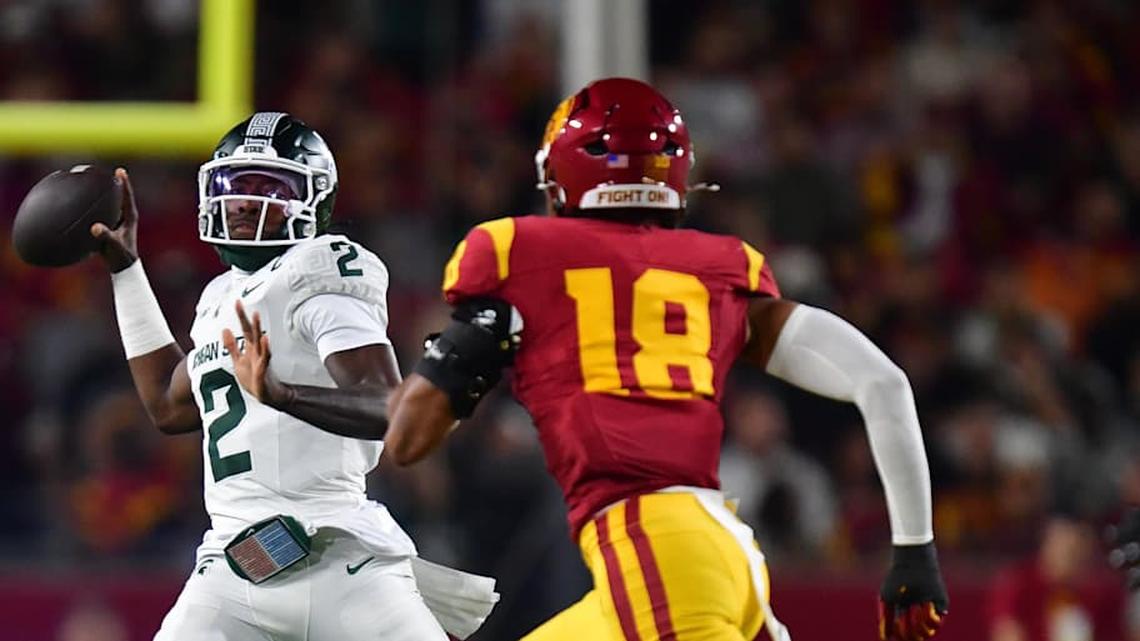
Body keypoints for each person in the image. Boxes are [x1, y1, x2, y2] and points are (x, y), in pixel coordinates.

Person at [381, 78, 949, 641]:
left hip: (649, 543)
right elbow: (883, 381)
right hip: (717, 546)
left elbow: (406, 441)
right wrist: (914, 550)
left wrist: (468, 349)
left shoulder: (517, 257)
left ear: (560, 178)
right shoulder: (719, 270)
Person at [89, 112, 496, 641]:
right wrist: (127, 273)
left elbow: (389, 407)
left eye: (268, 187)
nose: (242, 202)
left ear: (314, 201)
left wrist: (283, 395)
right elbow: (169, 407)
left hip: (341, 557)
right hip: (232, 566)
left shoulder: (318, 270)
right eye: (234, 185)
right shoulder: (221, 296)